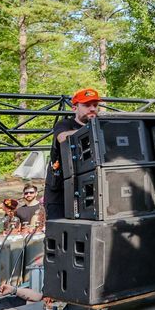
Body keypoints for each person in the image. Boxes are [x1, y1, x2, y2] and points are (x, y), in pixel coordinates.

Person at [44, 88, 103, 221]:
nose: (92, 108)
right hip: (59, 192)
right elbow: (62, 137)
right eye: (87, 105)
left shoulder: (100, 126)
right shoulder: (65, 124)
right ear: (74, 108)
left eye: (95, 105)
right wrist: (91, 129)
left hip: (88, 188)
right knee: (58, 229)